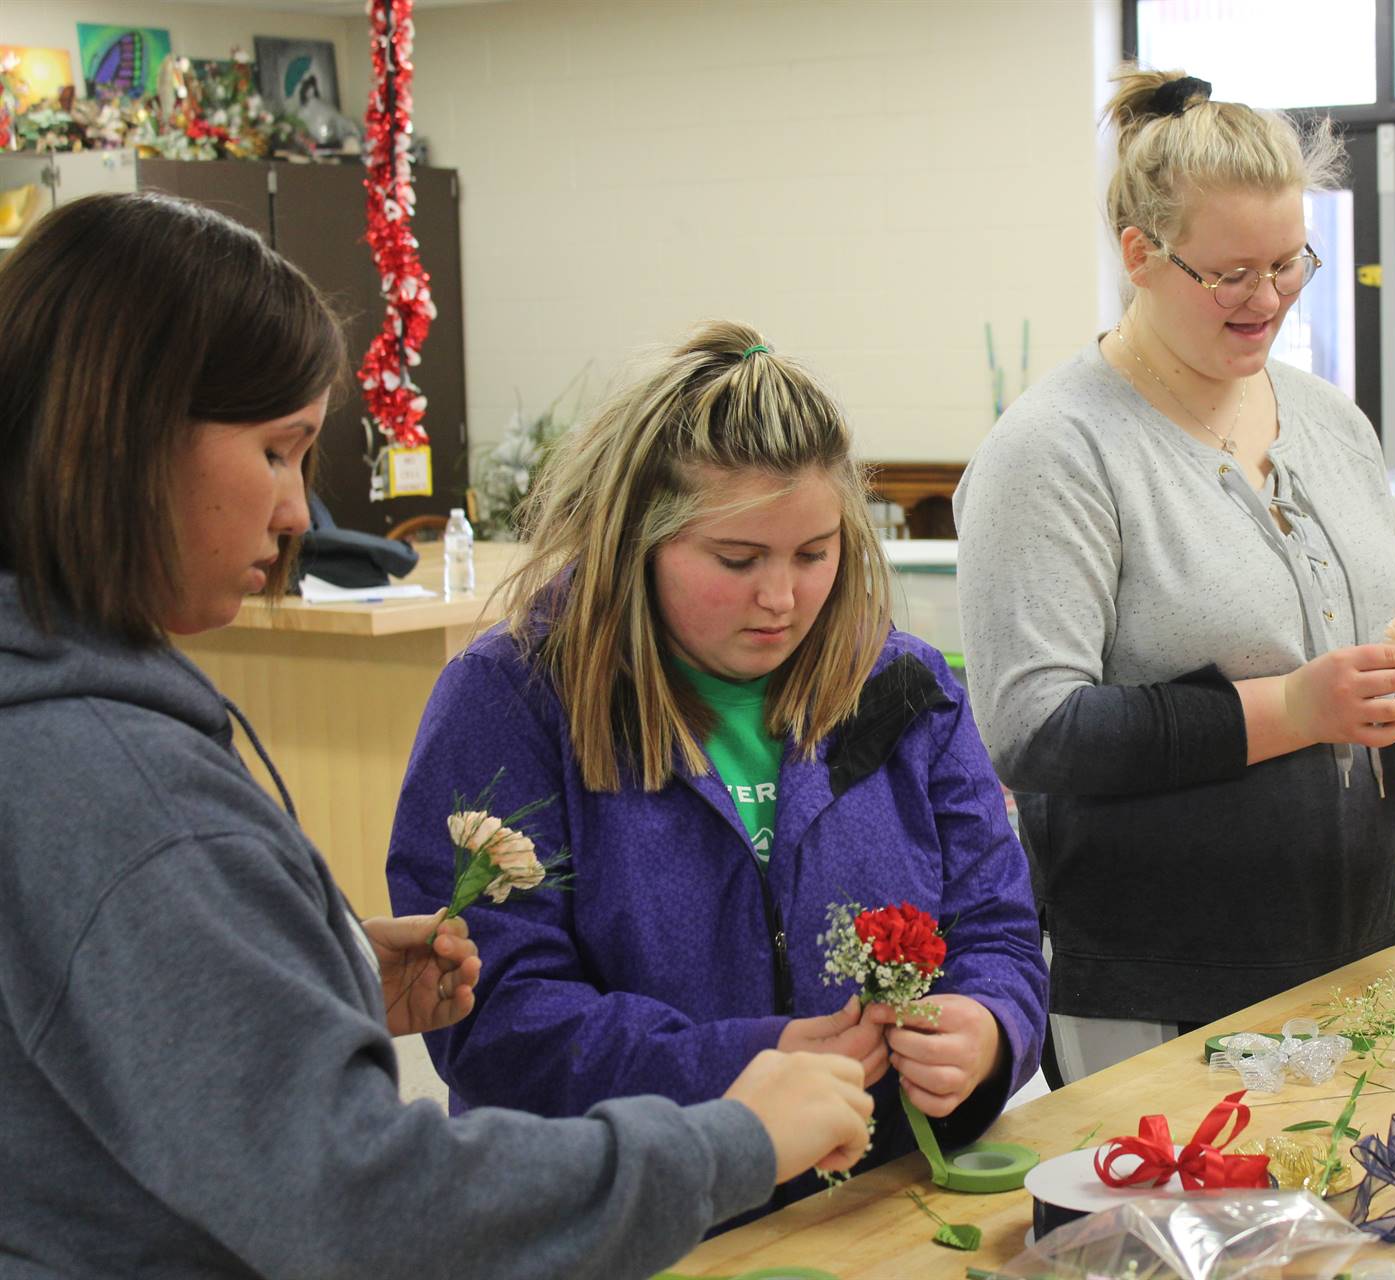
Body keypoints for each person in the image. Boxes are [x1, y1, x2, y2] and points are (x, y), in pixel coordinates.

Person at [0, 192, 873, 1277]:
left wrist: (311, 968)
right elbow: (361, 1201)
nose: (295, 513)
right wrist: (729, 1137)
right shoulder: (129, 799)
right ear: (123, 432)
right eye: (279, 451)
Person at [384, 321, 1047, 1214]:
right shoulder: (511, 703)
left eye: (815, 555)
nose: (781, 599)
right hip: (632, 1215)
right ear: (636, 545)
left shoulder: (902, 689)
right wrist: (742, 1066)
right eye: (737, 561)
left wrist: (990, 1028)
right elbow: (496, 1015)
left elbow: (998, 931)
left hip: (879, 1208)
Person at [954, 69, 1395, 1084]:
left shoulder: (1330, 421)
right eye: (1232, 274)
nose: (1269, 300)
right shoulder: (1056, 450)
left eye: (1291, 264)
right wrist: (1293, 705)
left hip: (1359, 951)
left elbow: (1355, 675)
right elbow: (1032, 728)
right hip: (1165, 984)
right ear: (1140, 256)